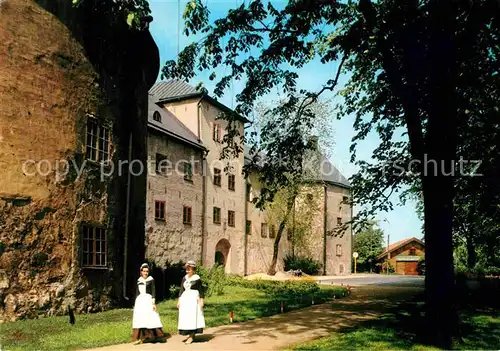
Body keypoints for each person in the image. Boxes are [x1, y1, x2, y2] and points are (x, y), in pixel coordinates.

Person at [131, 263, 165, 344]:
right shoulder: (139, 280)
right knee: (141, 318)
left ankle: (156, 336)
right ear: (141, 272)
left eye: (147, 271)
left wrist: (153, 303)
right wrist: (136, 303)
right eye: (144, 271)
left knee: (151, 317)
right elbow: (137, 292)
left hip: (148, 300)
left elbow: (153, 291)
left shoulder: (151, 279)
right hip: (140, 301)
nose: (146, 273)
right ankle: (141, 338)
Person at [177, 260, 205, 344]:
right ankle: (188, 333)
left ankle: (192, 336)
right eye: (187, 268)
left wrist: (201, 301)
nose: (187, 270)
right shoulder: (184, 278)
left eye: (189, 269)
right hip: (185, 299)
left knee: (193, 317)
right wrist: (179, 301)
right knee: (186, 317)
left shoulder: (197, 278)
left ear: (193, 269)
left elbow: (201, 290)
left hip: (193, 300)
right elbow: (181, 290)